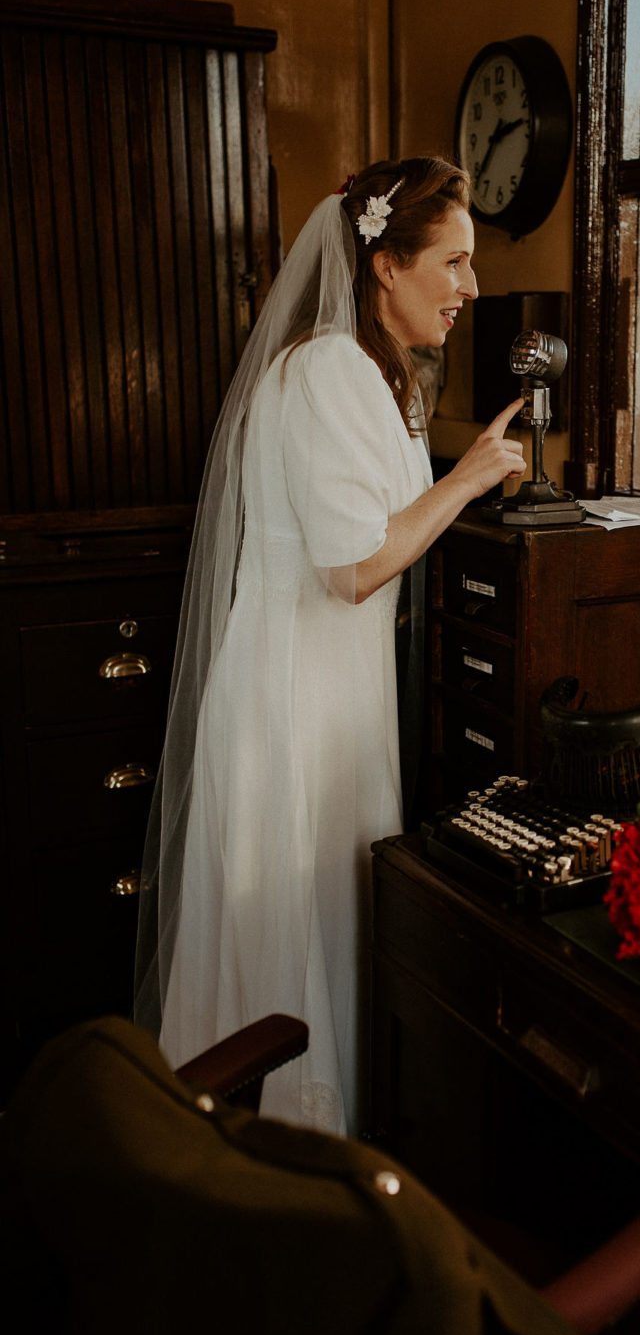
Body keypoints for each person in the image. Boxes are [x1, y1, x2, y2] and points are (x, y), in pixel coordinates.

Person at [134, 157, 526, 1135]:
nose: (471, 288)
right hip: (291, 704)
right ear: (386, 265)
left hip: (332, 693)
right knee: (287, 928)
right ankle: (270, 1165)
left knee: (327, 918)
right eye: (455, 261)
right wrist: (467, 477)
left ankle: (317, 1158)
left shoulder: (373, 372)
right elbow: (351, 565)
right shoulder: (323, 370)